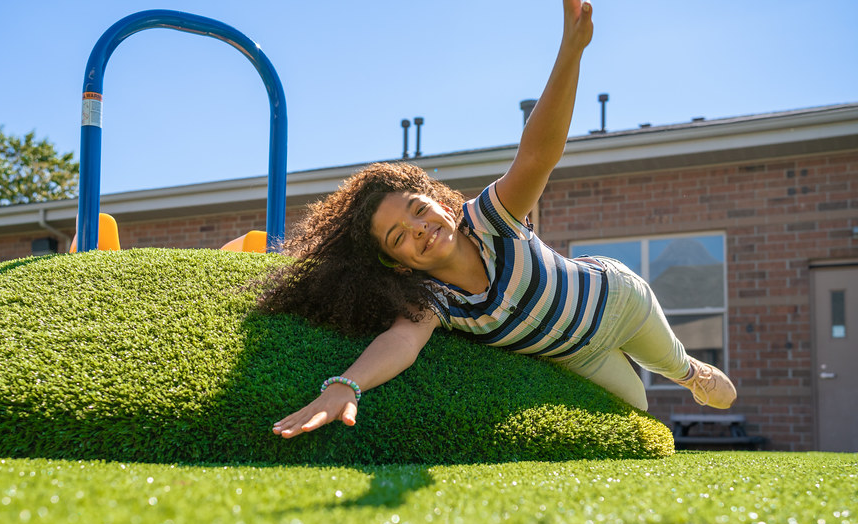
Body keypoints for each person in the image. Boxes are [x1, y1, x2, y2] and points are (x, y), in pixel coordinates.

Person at [261, 0, 737, 439]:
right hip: (581, 356)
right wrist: (344, 386)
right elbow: (401, 342)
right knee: (639, 420)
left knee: (678, 369)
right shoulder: (434, 300)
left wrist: (571, 51)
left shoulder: (489, 220)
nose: (419, 229)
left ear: (439, 203)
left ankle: (690, 372)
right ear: (396, 263)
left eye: (418, 210)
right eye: (397, 237)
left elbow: (536, 156)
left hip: (618, 301)